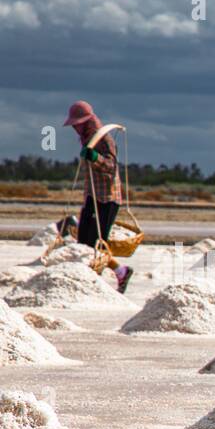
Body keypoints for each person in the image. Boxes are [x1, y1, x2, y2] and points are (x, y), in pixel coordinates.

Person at [64, 100, 133, 292]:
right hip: (92, 196)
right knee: (83, 244)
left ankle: (101, 279)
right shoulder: (87, 140)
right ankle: (119, 271)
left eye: (77, 124)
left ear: (86, 122)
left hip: (107, 198)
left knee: (96, 242)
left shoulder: (104, 139)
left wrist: (95, 158)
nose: (75, 128)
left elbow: (111, 166)